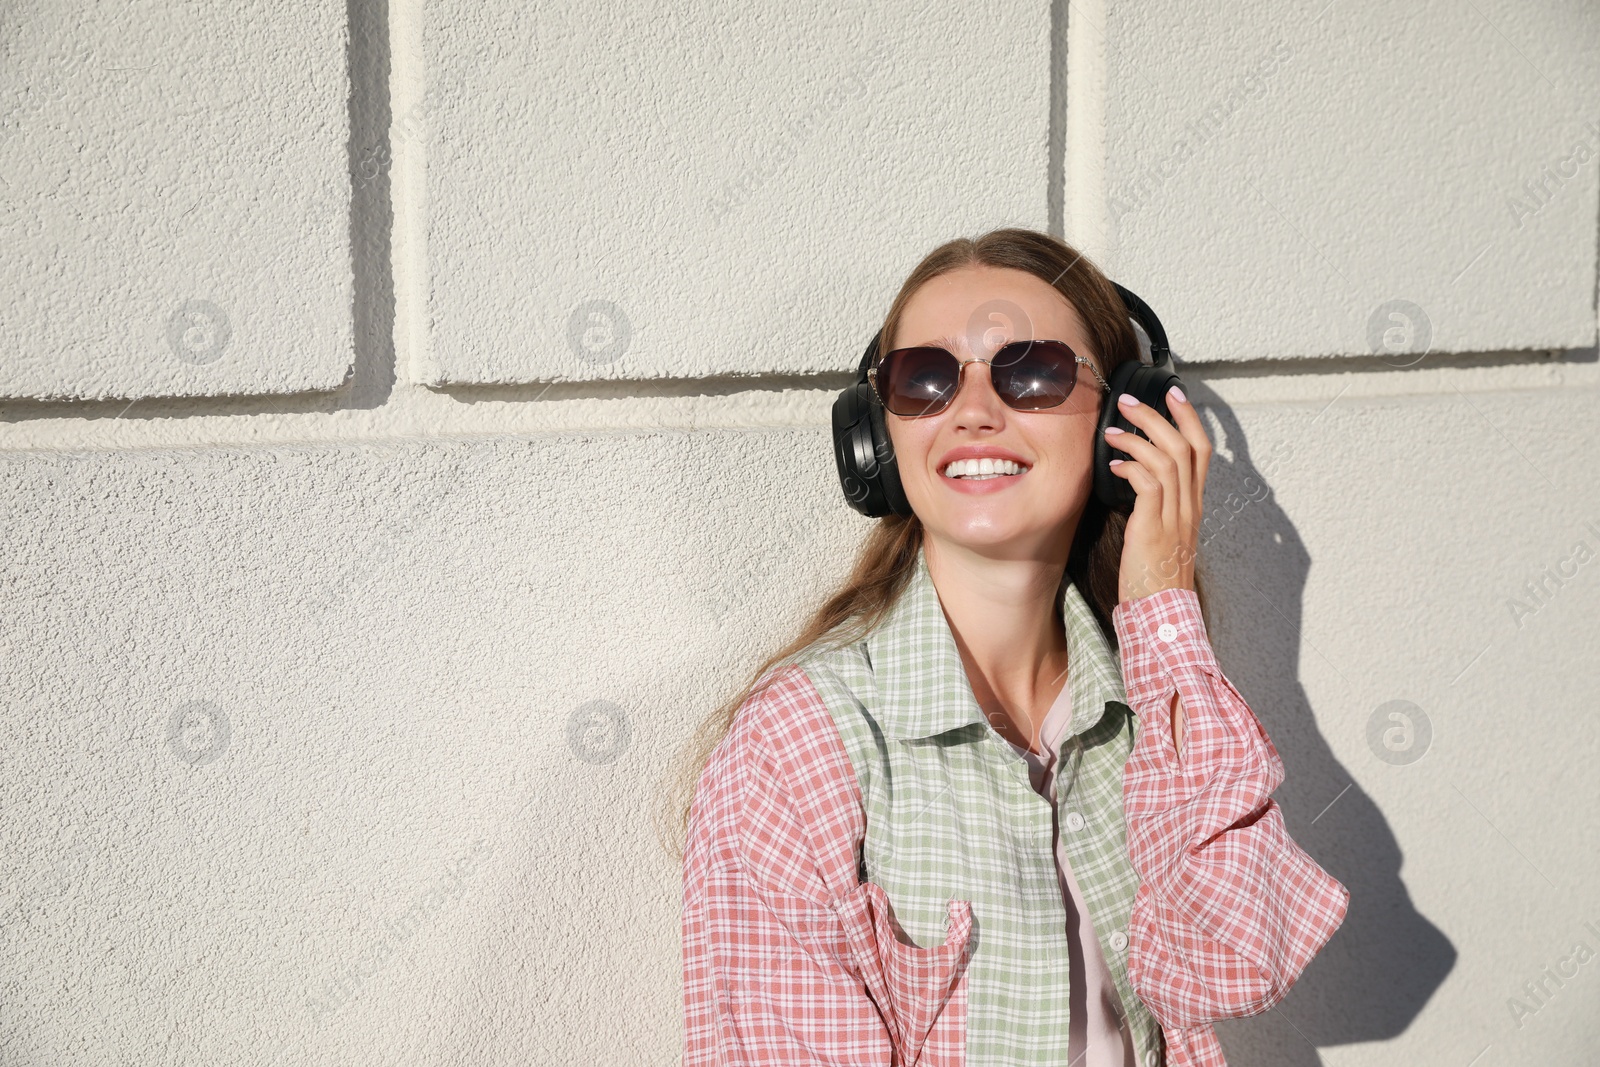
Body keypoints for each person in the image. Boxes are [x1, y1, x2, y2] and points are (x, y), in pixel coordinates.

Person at [666, 228, 1349, 1066]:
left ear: (1121, 419)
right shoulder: (797, 748)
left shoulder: (1152, 712)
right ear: (875, 438)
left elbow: (1234, 963)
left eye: (1033, 371)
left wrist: (1164, 604)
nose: (974, 410)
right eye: (924, 378)